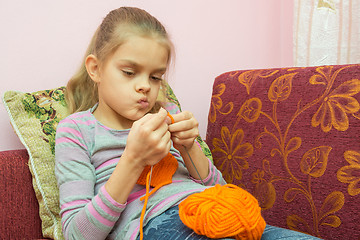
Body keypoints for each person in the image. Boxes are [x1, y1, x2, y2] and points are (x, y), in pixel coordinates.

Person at [55, 6, 322, 240]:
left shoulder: (166, 114)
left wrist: (188, 147)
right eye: (129, 72)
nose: (144, 87)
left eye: (156, 77)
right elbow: (78, 234)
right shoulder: (76, 130)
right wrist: (133, 160)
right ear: (96, 69)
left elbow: (220, 192)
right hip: (151, 223)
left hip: (208, 210)